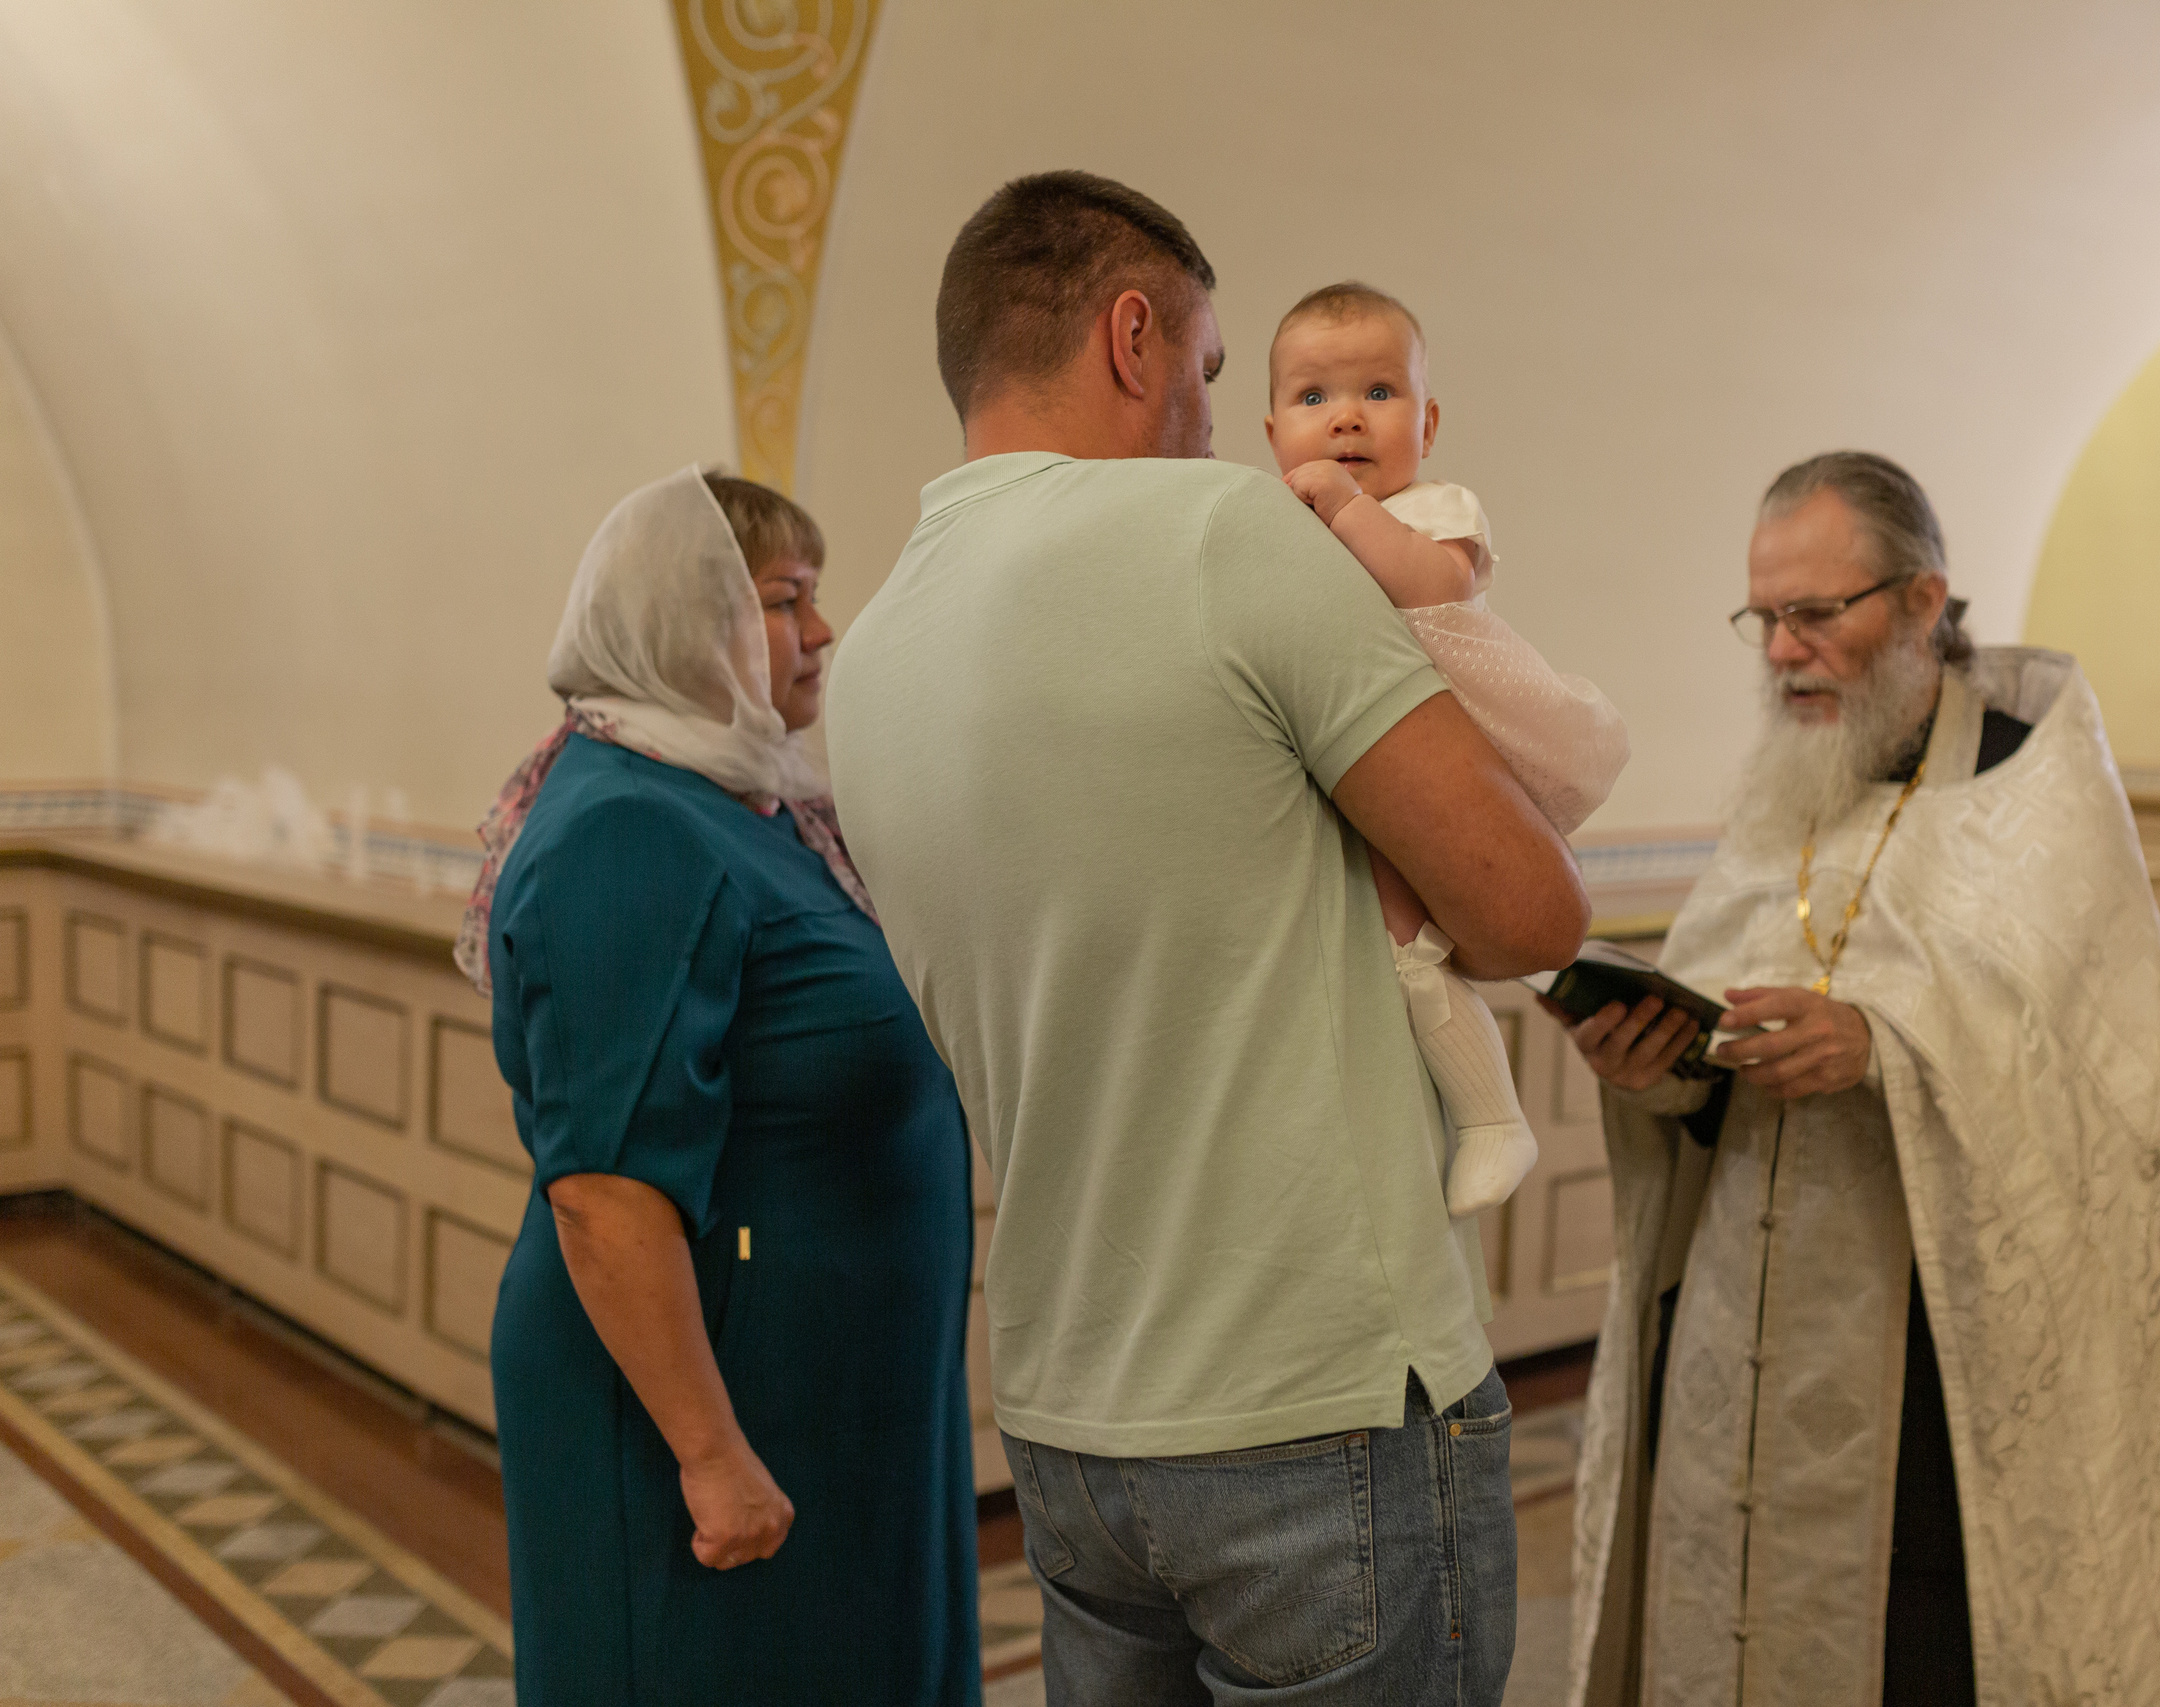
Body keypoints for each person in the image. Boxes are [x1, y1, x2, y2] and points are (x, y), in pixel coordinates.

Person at [827, 171, 1589, 1705]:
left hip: (1066, 1411)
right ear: (1133, 336)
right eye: (1216, 372)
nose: (1219, 421)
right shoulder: (1223, 535)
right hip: (1310, 1394)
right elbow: (1529, 909)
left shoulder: (867, 648)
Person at [1553, 453, 2160, 1706]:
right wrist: (1657, 1073)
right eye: (1763, 618)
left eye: (1817, 614)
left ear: (1925, 601)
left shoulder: (2034, 791)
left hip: (1937, 1355)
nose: (1781, 651)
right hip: (1742, 1310)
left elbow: (2095, 1086)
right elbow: (1726, 1020)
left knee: (1916, 1648)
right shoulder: (1793, 783)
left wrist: (1885, 1048)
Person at [462, 469, 980, 1706]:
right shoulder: (628, 830)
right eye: (785, 600)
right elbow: (603, 1191)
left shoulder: (746, 798)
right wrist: (711, 1455)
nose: (821, 632)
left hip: (820, 1387)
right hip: (709, 1408)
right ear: (681, 623)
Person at [1266, 280, 1629, 1217]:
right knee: (1396, 942)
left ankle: (1494, 1114)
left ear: (1426, 422)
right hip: (1358, 766)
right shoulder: (1273, 532)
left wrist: (1344, 506)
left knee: (1421, 932)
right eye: (1313, 398)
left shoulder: (1434, 508)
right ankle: (1474, 1115)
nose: (1346, 416)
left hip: (1470, 735)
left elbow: (1431, 586)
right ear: (1271, 435)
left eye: (1378, 393)